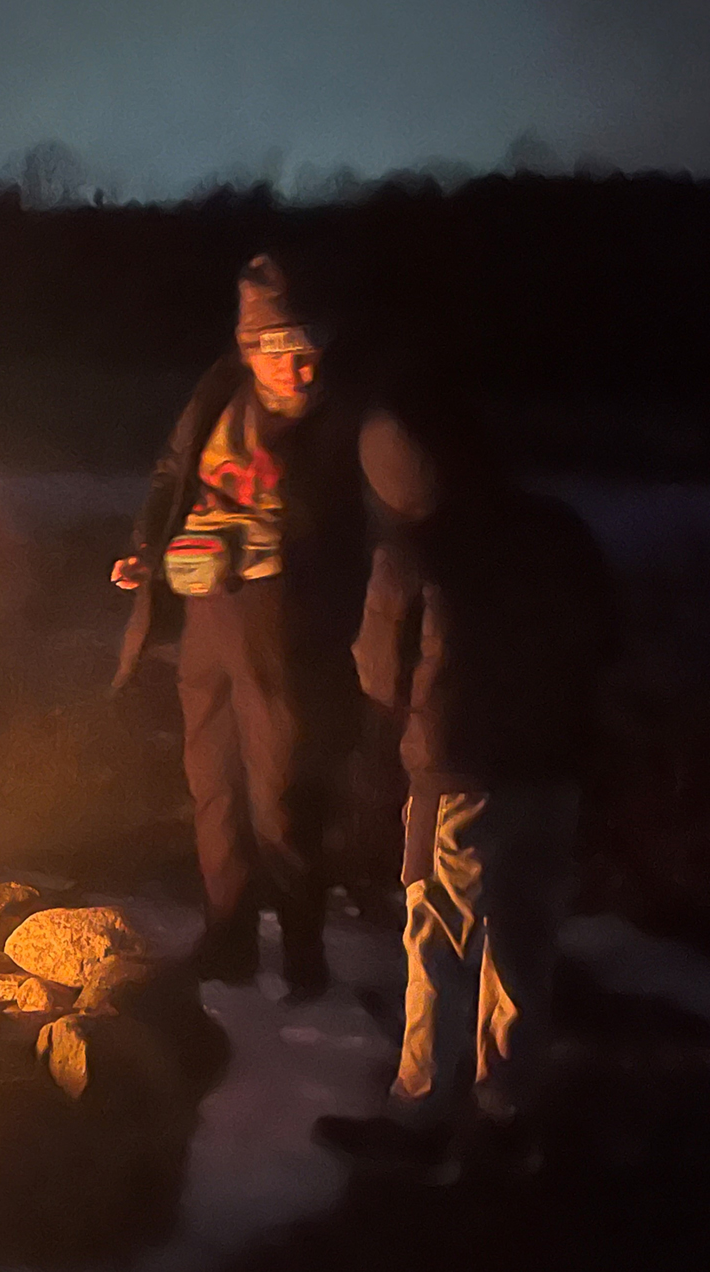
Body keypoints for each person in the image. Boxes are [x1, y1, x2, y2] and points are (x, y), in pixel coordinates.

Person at [316, 409, 615, 1167]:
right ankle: (508, 1107)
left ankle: (418, 1116)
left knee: (439, 941)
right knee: (524, 936)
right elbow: (607, 635)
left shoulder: (414, 547)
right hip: (554, 767)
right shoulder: (560, 527)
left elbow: (379, 673)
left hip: (455, 775)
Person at [110, 255, 367, 998]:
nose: (299, 371)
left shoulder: (343, 419)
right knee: (212, 782)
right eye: (282, 352)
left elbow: (363, 533)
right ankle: (227, 940)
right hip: (206, 612)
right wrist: (146, 552)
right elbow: (173, 472)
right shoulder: (221, 386)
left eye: (308, 353)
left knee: (282, 791)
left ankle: (303, 950)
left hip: (281, 618)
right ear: (252, 348)